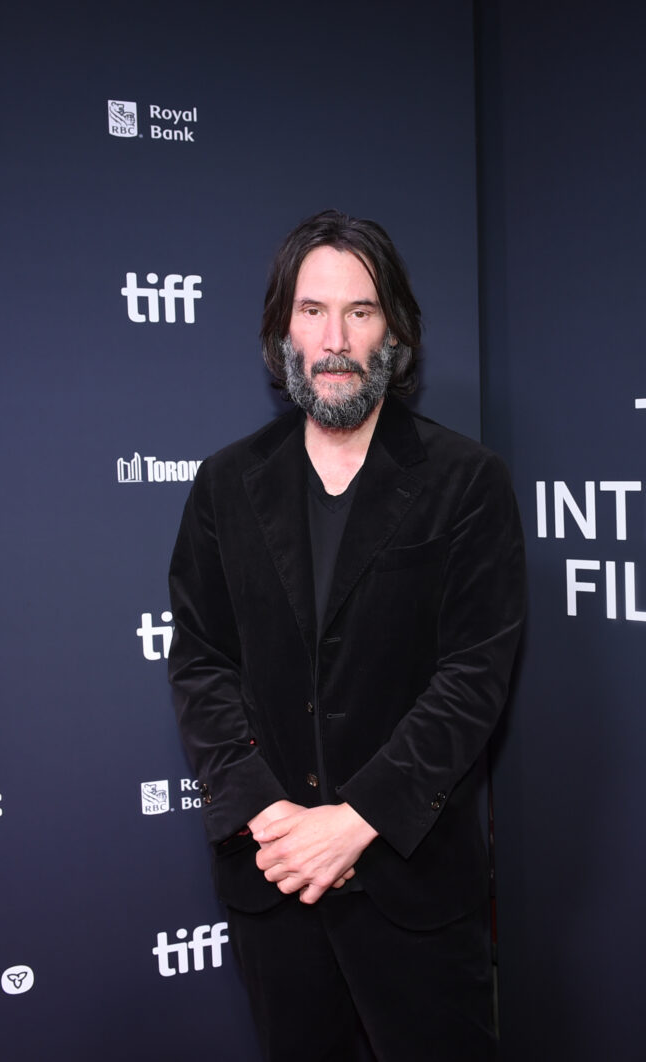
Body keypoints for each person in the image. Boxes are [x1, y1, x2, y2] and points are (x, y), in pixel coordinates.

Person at [167, 209, 525, 1061]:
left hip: (413, 881)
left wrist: (358, 817)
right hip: (275, 878)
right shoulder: (225, 484)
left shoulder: (466, 481)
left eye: (359, 312)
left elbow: (473, 674)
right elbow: (201, 662)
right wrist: (269, 817)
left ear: (393, 332)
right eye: (311, 310)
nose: (334, 338)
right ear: (280, 330)